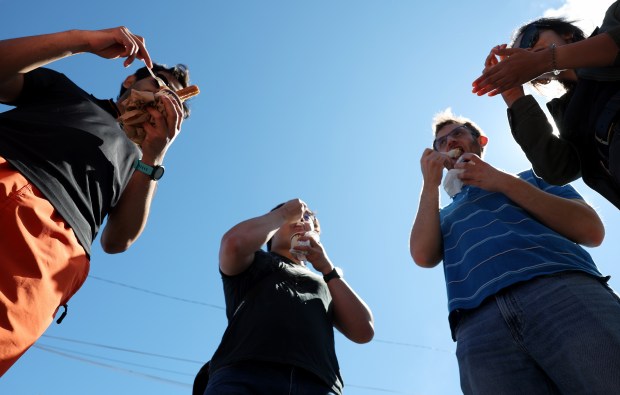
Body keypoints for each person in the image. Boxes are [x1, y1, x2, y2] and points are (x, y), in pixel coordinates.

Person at [0, 27, 192, 376]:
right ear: (131, 79)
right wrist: (81, 41)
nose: (165, 98)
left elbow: (117, 241)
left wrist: (155, 156)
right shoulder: (65, 91)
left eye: (176, 102)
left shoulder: (141, 167)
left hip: (51, 253)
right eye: (159, 83)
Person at [409, 109, 620, 394]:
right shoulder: (443, 216)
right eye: (440, 141)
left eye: (457, 133)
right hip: (479, 325)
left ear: (480, 140)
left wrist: (501, 181)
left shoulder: (533, 177)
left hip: (562, 291)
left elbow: (590, 230)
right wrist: (429, 184)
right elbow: (422, 255)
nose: (448, 142)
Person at [205, 199, 374, 395]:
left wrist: (328, 270)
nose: (301, 219)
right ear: (272, 229)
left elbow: (364, 330)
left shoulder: (328, 282)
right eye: (295, 215)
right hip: (244, 374)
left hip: (318, 382)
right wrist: (284, 213)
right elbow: (233, 243)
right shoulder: (254, 259)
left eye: (307, 217)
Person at [471, 2, 620, 210]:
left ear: (566, 33)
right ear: (538, 79)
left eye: (532, 38)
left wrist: (546, 60)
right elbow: (558, 169)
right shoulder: (570, 119)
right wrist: (513, 93)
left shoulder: (614, 18)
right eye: (522, 53)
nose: (529, 51)